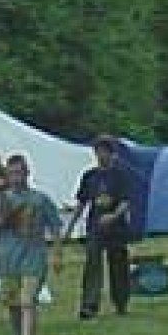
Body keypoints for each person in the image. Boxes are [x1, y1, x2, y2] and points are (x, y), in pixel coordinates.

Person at [0, 154, 62, 335]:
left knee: (27, 300)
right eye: (12, 173)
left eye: (19, 173)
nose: (16, 177)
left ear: (27, 173)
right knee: (13, 303)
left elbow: (55, 226)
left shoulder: (40, 199)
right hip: (8, 256)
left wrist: (58, 253)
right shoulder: (3, 198)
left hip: (34, 256)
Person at [59, 135, 134, 319]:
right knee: (92, 264)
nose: (101, 155)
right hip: (95, 227)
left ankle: (120, 301)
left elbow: (125, 201)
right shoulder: (90, 176)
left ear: (112, 153)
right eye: (98, 151)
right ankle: (89, 305)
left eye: (104, 151)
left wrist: (113, 215)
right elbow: (81, 203)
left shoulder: (120, 174)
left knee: (118, 265)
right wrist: (70, 228)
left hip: (116, 228)